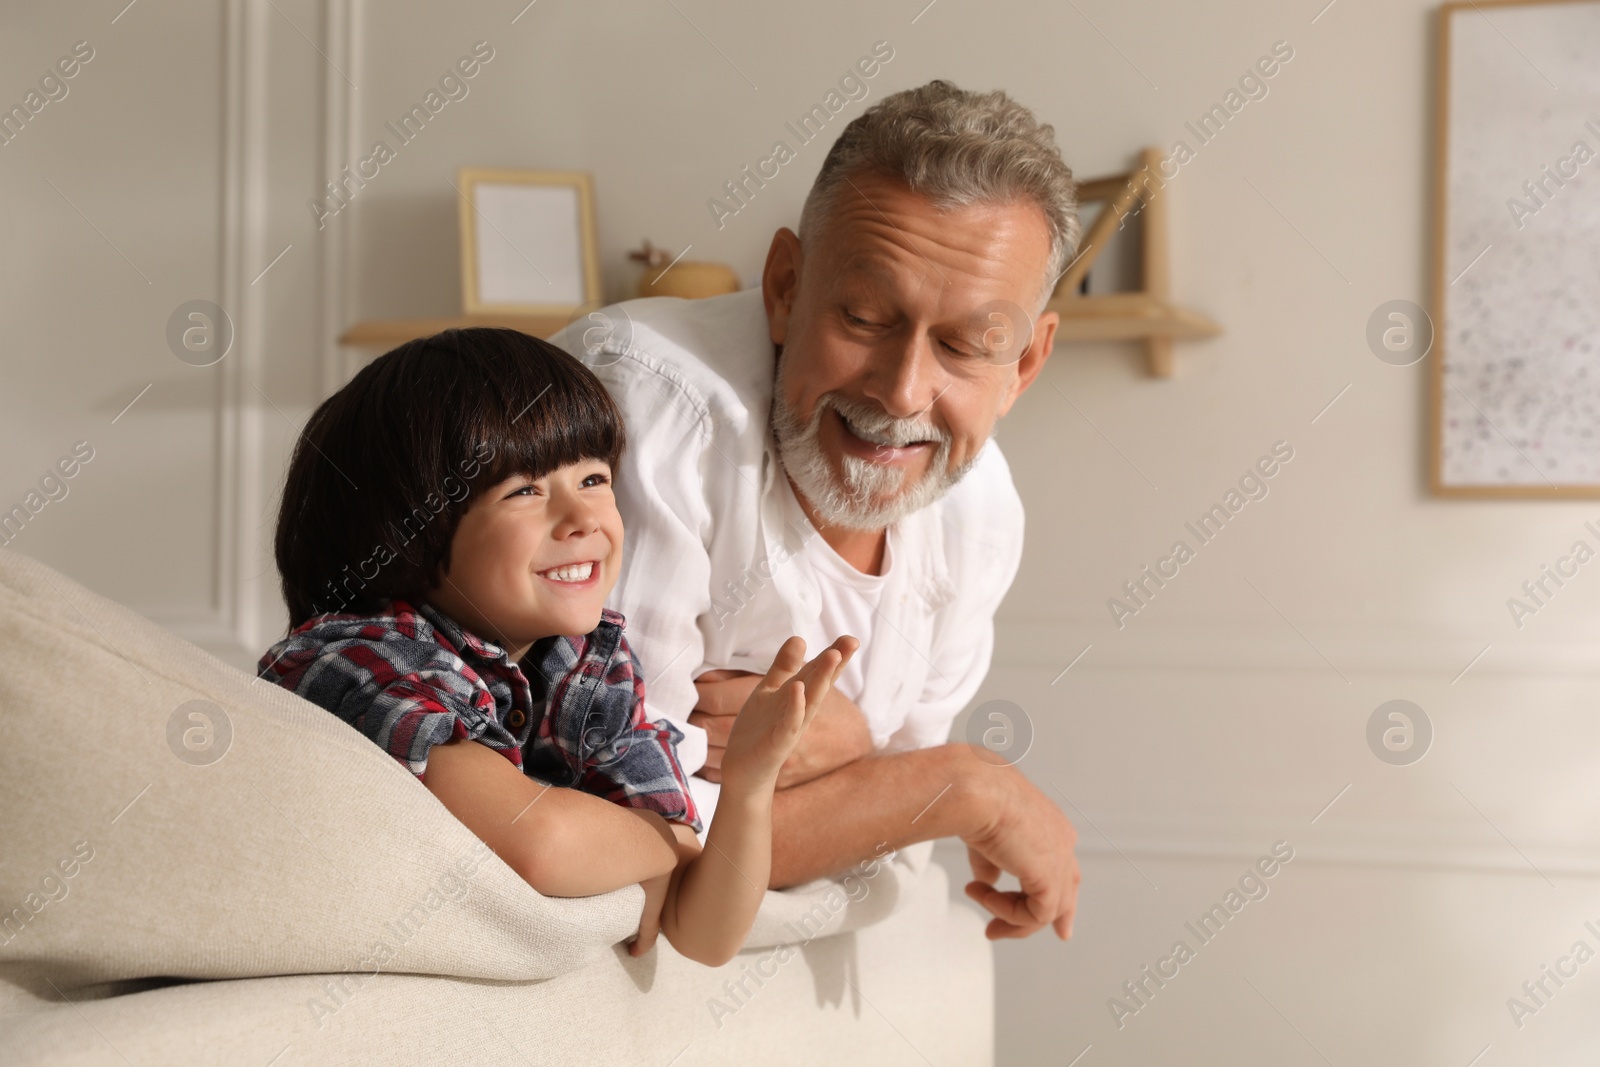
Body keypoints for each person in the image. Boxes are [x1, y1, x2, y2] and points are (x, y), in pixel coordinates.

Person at [551, 79, 1082, 941]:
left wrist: (860, 749)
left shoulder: (979, 510)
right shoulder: (647, 406)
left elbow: (875, 825)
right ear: (786, 286)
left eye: (965, 346)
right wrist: (964, 786)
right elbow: (637, 830)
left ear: (1025, 364)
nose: (903, 390)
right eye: (866, 317)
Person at [257, 327, 857, 965]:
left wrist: (748, 787)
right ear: (406, 530)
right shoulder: (360, 657)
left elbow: (703, 935)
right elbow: (542, 843)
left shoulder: (588, 663)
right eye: (524, 490)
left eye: (595, 478)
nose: (583, 518)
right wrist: (662, 839)